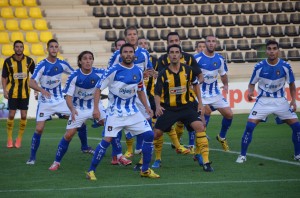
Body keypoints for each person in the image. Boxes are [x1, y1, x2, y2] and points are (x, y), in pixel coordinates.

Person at [86, 43, 160, 180]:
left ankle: (145, 170)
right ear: (120, 55)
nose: (128, 54)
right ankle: (91, 171)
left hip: (133, 111)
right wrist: (96, 108)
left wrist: (147, 107)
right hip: (115, 113)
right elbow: (98, 89)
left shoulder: (138, 71)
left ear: (134, 54)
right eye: (125, 52)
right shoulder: (113, 70)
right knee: (107, 140)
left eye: (130, 52)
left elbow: (140, 91)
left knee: (150, 135)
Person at [26, 39, 92, 165]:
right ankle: (32, 157)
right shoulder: (42, 65)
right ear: (47, 49)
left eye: (56, 47)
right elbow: (31, 82)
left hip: (60, 100)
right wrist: (41, 90)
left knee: (79, 118)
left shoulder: (63, 64)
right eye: (52, 47)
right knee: (39, 129)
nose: (54, 49)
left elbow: (76, 74)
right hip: (45, 102)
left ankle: (85, 147)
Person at [236, 40, 300, 163]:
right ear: (266, 51)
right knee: (249, 126)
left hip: (280, 101)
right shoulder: (259, 67)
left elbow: (292, 84)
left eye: (274, 48)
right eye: (269, 49)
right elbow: (252, 83)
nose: (272, 51)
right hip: (263, 101)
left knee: (297, 127)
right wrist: (250, 92)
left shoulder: (285, 66)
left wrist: (293, 100)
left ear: (278, 51)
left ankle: (298, 154)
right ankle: (242, 155)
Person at [154, 44, 213, 172]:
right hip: (169, 109)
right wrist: (158, 106)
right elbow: (157, 92)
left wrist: (200, 103)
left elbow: (196, 85)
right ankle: (156, 159)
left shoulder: (188, 70)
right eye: (172, 52)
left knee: (200, 127)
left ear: (180, 55)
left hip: (186, 107)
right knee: (156, 134)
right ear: (168, 56)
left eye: (177, 52)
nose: (174, 54)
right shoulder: (163, 73)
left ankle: (206, 161)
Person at [48, 51, 106, 171]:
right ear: (80, 61)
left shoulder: (100, 73)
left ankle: (118, 156)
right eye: (85, 59)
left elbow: (116, 74)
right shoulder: (74, 76)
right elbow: (68, 96)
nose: (88, 61)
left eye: (90, 58)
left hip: (95, 105)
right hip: (78, 108)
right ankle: (56, 162)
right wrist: (72, 110)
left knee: (110, 127)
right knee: (69, 134)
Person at [108, 26, 154, 161]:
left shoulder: (144, 53)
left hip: (138, 89)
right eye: (130, 34)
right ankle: (117, 154)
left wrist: (147, 74)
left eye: (135, 34)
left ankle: (141, 146)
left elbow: (150, 70)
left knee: (146, 116)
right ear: (125, 37)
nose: (132, 36)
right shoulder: (118, 54)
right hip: (120, 91)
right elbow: (109, 72)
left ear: (138, 36)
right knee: (117, 120)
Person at [194, 35, 233, 152]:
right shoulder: (197, 58)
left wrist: (225, 85)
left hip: (215, 93)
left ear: (216, 44)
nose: (211, 43)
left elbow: (223, 74)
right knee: (206, 113)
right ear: (205, 43)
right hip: (201, 93)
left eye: (213, 41)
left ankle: (221, 137)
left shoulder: (220, 59)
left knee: (229, 115)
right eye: (209, 41)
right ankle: (199, 143)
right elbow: (190, 75)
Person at [1, 40, 35, 148]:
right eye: (17, 47)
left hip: (25, 93)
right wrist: (5, 90)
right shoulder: (8, 61)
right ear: (14, 48)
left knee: (24, 115)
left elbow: (35, 76)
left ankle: (19, 139)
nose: (19, 48)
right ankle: (10, 139)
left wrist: (37, 90)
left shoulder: (29, 61)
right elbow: (4, 77)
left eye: (21, 47)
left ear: (23, 48)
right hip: (13, 92)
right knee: (11, 114)